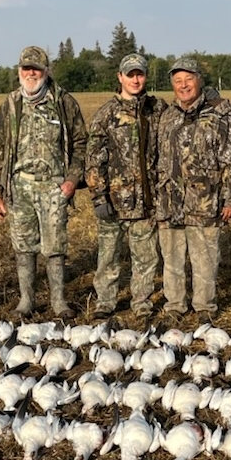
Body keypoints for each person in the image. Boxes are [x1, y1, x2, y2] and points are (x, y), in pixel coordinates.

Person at [0, 46, 87, 320]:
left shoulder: (64, 102)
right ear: (19, 71)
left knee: (55, 247)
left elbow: (81, 143)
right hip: (20, 186)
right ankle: (27, 300)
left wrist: (72, 179)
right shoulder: (10, 105)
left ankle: (58, 301)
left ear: (46, 71)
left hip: (54, 186)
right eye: (26, 68)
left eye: (36, 69)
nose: (31, 73)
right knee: (23, 245)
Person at [154, 56, 231, 323]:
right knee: (172, 260)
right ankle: (174, 307)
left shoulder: (219, 113)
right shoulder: (168, 115)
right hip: (170, 202)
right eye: (178, 81)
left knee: (205, 259)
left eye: (188, 79)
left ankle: (205, 308)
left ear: (199, 80)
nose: (183, 85)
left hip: (205, 201)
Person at [85, 53, 166, 320]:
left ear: (146, 76)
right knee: (108, 256)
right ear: (120, 77)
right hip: (114, 201)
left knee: (146, 257)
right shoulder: (106, 114)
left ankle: (141, 302)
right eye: (130, 74)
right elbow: (94, 159)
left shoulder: (157, 109)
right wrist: (99, 197)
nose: (135, 79)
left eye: (139, 74)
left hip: (147, 201)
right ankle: (105, 301)